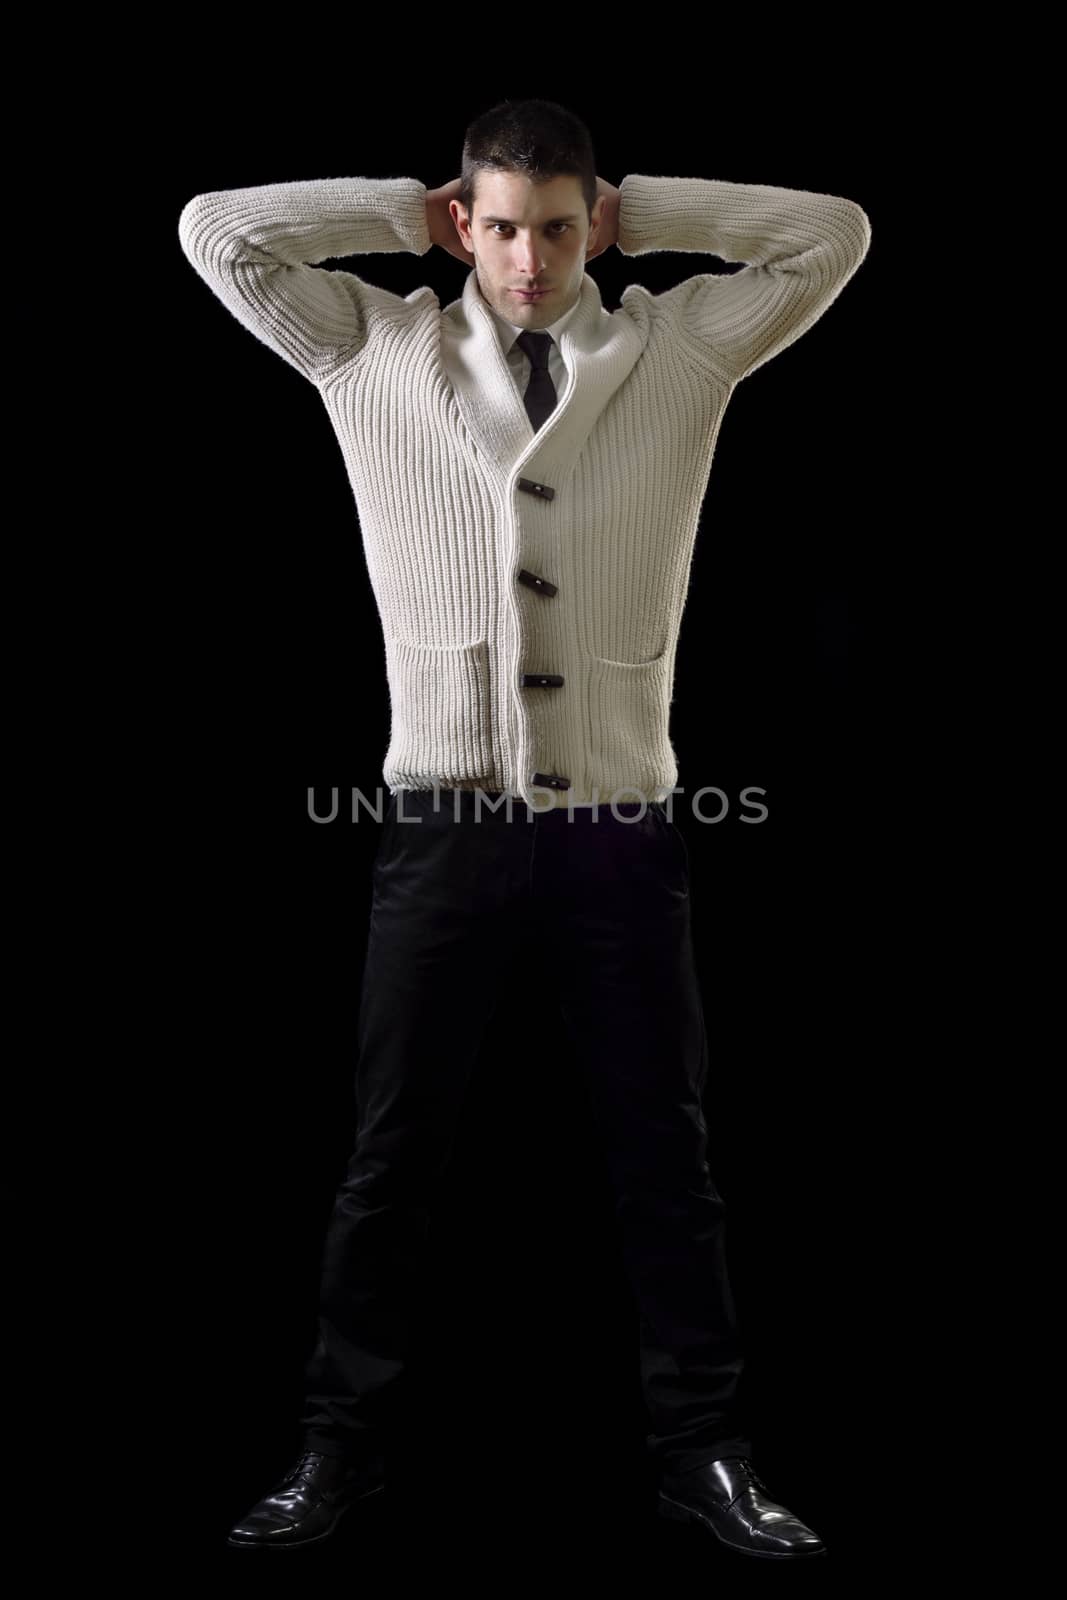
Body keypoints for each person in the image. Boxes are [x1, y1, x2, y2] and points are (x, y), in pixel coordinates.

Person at [178, 97, 870, 1558]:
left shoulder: (673, 350)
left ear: (592, 223)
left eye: (560, 227)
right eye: (499, 226)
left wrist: (650, 206)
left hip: (622, 818)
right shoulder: (374, 344)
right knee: (392, 1152)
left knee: (664, 1151)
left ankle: (705, 1452)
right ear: (464, 224)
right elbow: (218, 234)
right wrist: (396, 210)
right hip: (441, 814)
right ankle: (337, 1450)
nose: (531, 259)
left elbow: (831, 237)